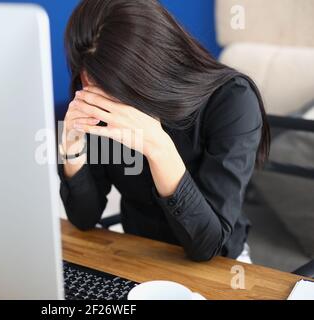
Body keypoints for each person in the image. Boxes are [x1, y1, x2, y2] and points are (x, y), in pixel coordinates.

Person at [58, 0, 270, 262]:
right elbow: (84, 218)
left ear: (156, 68)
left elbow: (208, 246)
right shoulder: (100, 97)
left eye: (114, 88)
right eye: (87, 80)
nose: (100, 97)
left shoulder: (232, 100)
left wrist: (158, 147)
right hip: (139, 256)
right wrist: (71, 147)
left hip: (221, 266)